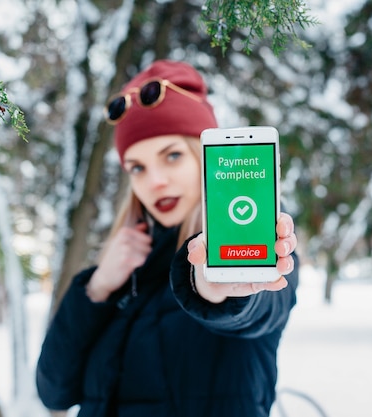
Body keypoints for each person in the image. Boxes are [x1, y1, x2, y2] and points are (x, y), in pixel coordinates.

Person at [36, 60, 299, 417]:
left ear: (204, 158)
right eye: (138, 167)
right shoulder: (128, 267)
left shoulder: (264, 234)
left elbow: (261, 309)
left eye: (172, 156)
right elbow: (54, 392)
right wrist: (97, 288)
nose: (154, 181)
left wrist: (214, 288)